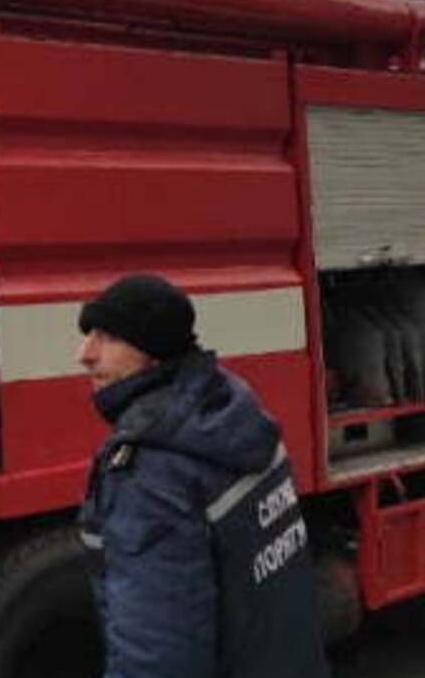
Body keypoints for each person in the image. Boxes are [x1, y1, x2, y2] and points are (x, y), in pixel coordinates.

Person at [74, 274, 328, 678]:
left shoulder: (151, 472)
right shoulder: (231, 414)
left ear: (152, 351)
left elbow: (159, 656)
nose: (84, 353)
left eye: (107, 337)